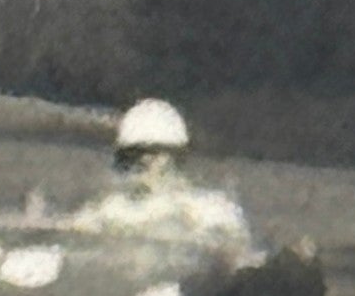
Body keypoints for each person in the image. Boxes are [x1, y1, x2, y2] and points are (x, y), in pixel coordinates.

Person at [70, 98, 252, 243]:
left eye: (154, 153)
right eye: (134, 155)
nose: (144, 161)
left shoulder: (210, 211)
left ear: (175, 158)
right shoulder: (109, 211)